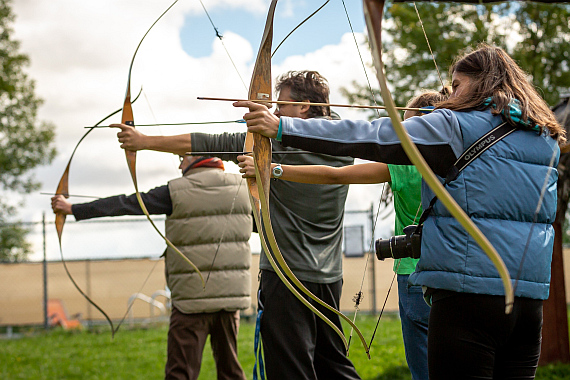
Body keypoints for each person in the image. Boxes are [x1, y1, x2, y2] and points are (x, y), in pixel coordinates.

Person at [236, 45, 564, 379]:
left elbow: (373, 134)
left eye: (457, 85)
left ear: (481, 83)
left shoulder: (454, 126)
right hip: (527, 303)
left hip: (467, 299)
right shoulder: (543, 135)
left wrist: (283, 127)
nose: (450, 95)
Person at [113, 71, 361, 380]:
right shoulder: (347, 140)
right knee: (333, 364)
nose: (273, 113)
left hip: (286, 278)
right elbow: (212, 142)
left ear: (304, 106)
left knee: (290, 370)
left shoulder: (276, 147)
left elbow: (212, 142)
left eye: (280, 106)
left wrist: (143, 141)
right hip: (329, 277)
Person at [237, 89, 449, 380]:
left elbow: (335, 176)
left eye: (408, 126)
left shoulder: (407, 164)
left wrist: (272, 169)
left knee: (424, 370)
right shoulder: (466, 161)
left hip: (414, 275)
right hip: (457, 274)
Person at [51, 155, 252, 380]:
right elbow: (262, 225)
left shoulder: (176, 190)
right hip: (230, 300)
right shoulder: (243, 188)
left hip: (191, 300)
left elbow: (126, 203)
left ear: (197, 155)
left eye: (182, 158)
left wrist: (72, 208)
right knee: (230, 371)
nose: (179, 164)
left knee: (180, 373)